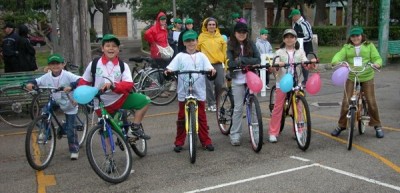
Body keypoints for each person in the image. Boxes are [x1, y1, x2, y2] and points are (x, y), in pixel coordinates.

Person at [78, 34, 151, 140]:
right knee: (106, 133)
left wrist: (113, 86)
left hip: (119, 99)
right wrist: (79, 95)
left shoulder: (122, 65)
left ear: (118, 49)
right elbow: (84, 81)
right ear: (102, 48)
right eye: (108, 46)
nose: (111, 48)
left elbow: (128, 84)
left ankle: (135, 128)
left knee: (145, 101)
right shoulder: (94, 64)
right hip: (101, 104)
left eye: (114, 46)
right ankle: (109, 156)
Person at [165, 30, 216, 152]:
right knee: (182, 117)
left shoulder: (202, 56)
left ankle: (205, 140)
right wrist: (167, 71)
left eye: (193, 40)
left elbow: (209, 68)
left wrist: (211, 71)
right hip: (184, 90)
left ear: (197, 41)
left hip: (198, 90)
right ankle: (179, 141)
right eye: (188, 41)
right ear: (184, 42)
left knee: (202, 116)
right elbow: (170, 68)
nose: (191, 43)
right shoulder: (180, 56)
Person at [330, 27, 384, 138]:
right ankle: (341, 125)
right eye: (353, 36)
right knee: (346, 102)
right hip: (351, 76)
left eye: (357, 36)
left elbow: (377, 58)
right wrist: (338, 62)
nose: (355, 38)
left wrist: (377, 64)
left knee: (371, 101)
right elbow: (337, 57)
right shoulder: (347, 47)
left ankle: (377, 125)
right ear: (350, 38)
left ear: (362, 36)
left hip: (366, 76)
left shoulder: (369, 46)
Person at [25, 54, 81, 160]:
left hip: (69, 103)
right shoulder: (47, 76)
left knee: (70, 129)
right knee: (45, 111)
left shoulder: (67, 75)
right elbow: (36, 81)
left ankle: (74, 149)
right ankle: (47, 132)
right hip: (56, 100)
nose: (55, 66)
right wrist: (30, 84)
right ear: (49, 66)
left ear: (63, 64)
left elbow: (80, 80)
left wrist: (71, 86)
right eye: (52, 64)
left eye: (57, 63)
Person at [268, 29, 316, 143]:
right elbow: (273, 67)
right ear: (284, 39)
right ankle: (273, 132)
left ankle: (298, 130)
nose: (289, 39)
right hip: (283, 82)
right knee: (278, 107)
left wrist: (311, 63)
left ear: (295, 39)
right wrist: (277, 65)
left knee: (299, 108)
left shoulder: (300, 52)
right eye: (287, 37)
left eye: (292, 37)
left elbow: (305, 64)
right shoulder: (279, 52)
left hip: (296, 82)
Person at [227, 22, 261, 146]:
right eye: (239, 32)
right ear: (235, 33)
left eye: (244, 32)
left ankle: (256, 132)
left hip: (251, 78)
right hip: (237, 79)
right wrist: (242, 62)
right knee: (238, 108)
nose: (241, 34)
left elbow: (258, 59)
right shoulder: (230, 45)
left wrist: (241, 60)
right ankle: (235, 134)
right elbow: (230, 63)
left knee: (253, 107)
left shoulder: (251, 44)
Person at [197, 17, 227, 112]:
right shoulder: (201, 36)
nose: (211, 26)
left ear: (216, 26)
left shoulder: (220, 37)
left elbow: (225, 52)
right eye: (209, 24)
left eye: (213, 24)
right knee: (209, 85)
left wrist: (226, 65)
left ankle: (217, 102)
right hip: (207, 65)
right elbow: (197, 50)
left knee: (219, 84)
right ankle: (211, 104)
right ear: (206, 26)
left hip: (218, 64)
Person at [144, 12, 177, 93]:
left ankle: (161, 89)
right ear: (158, 20)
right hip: (157, 54)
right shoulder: (155, 28)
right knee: (160, 72)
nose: (163, 20)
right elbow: (146, 33)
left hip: (163, 53)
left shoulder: (163, 28)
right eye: (162, 19)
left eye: (164, 19)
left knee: (163, 71)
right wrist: (153, 43)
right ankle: (159, 91)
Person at [289, 9, 314, 85]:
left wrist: (300, 41)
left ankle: (306, 80)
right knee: (294, 62)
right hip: (296, 47)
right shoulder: (294, 24)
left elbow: (310, 36)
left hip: (305, 47)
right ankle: (296, 78)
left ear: (296, 16)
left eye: (292, 17)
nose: (292, 18)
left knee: (304, 62)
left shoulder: (304, 23)